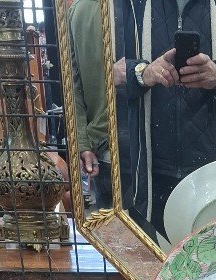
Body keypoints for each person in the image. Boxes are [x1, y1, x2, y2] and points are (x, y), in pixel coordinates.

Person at [122, 0, 216, 238]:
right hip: (147, 177)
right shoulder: (133, 4)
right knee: (150, 271)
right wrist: (141, 73)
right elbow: (104, 73)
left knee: (214, 268)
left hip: (214, 176)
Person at [68, 0, 131, 210]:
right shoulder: (81, 10)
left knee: (113, 235)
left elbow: (73, 87)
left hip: (103, 143)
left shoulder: (78, 10)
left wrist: (83, 142)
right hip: (127, 146)